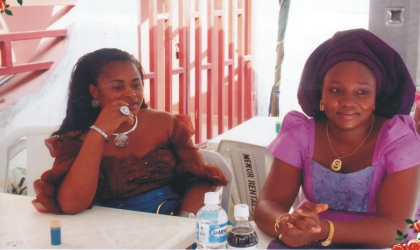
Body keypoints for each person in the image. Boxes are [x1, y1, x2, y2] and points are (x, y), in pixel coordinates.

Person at [254, 29, 420, 248]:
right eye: (336, 90)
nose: (348, 101)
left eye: (362, 92)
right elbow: (268, 203)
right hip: (310, 237)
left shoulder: (398, 141)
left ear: (376, 98)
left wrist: (323, 230)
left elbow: (396, 229)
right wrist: (284, 222)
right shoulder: (301, 133)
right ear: (321, 94)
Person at [31, 48, 228, 216]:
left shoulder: (165, 123)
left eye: (136, 84)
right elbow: (71, 204)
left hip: (172, 222)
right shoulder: (76, 138)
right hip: (110, 233)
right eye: (118, 87)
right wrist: (98, 132)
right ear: (94, 92)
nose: (131, 94)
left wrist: (185, 223)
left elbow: (200, 179)